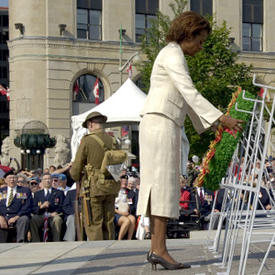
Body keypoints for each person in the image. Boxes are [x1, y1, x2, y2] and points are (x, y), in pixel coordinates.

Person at [136, 11, 243, 270]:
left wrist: (215, 121)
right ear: (188, 34)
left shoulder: (173, 54)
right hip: (160, 123)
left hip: (164, 122)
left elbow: (186, 99)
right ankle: (159, 249)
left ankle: (157, 248)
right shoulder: (172, 54)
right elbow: (189, 92)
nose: (201, 46)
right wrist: (221, 119)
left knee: (162, 185)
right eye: (201, 40)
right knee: (160, 186)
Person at [70, 111, 119, 240]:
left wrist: (75, 175)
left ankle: (97, 252)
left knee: (94, 221)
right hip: (111, 185)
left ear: (90, 124)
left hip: (94, 187)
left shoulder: (87, 140)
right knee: (108, 221)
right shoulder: (113, 140)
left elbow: (76, 167)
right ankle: (110, 248)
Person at [30, 173, 64, 242]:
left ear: (52, 180)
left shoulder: (59, 193)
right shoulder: (37, 194)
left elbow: (62, 206)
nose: (48, 181)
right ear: (42, 181)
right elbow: (34, 208)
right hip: (41, 215)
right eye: (45, 179)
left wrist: (56, 212)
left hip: (53, 215)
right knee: (33, 219)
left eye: (49, 179)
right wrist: (41, 206)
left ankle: (56, 241)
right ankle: (35, 241)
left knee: (57, 220)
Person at [0, 170, 33, 242]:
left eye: (14, 178)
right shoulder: (1, 191)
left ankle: (20, 241)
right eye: (10, 178)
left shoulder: (24, 190)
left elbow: (27, 206)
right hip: (4, 216)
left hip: (19, 216)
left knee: (24, 219)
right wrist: (0, 216)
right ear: (5, 180)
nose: (12, 180)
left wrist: (16, 217)